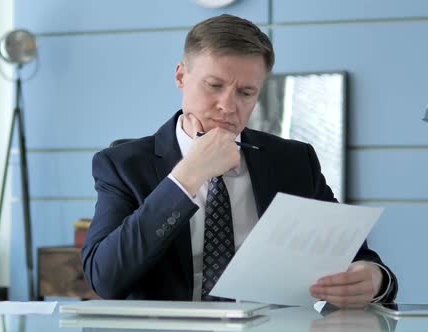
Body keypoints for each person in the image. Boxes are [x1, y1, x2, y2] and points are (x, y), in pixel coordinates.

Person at [82, 14, 398, 308]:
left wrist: (375, 279)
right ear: (181, 75)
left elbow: (361, 258)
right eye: (214, 85)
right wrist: (187, 177)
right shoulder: (122, 165)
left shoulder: (294, 161)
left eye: (246, 92)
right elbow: (105, 279)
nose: (228, 106)